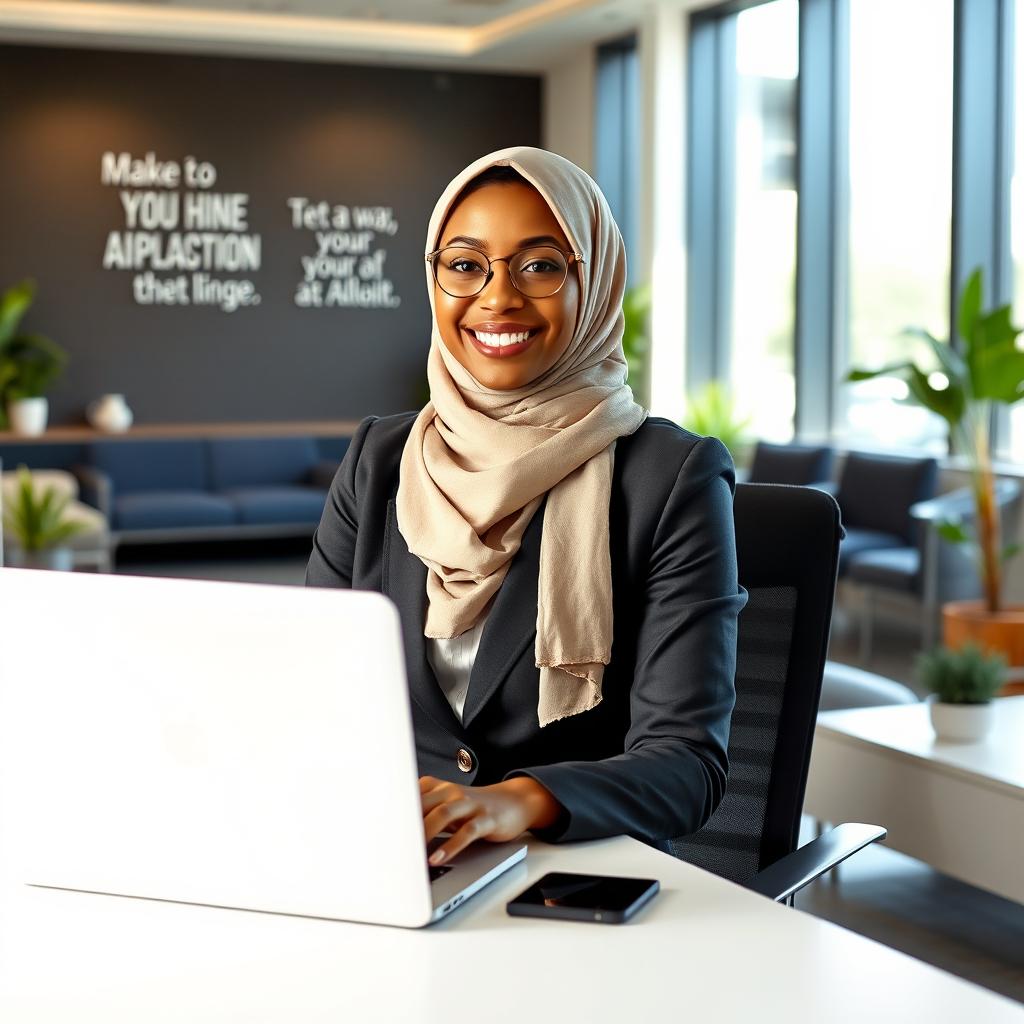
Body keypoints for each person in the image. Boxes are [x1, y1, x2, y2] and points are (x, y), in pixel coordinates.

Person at [306, 146, 745, 869]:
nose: (497, 296)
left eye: (539, 265)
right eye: (465, 263)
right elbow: (313, 689)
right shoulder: (378, 461)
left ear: (594, 280)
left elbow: (688, 765)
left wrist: (513, 801)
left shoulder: (670, 478)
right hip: (392, 860)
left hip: (575, 872)